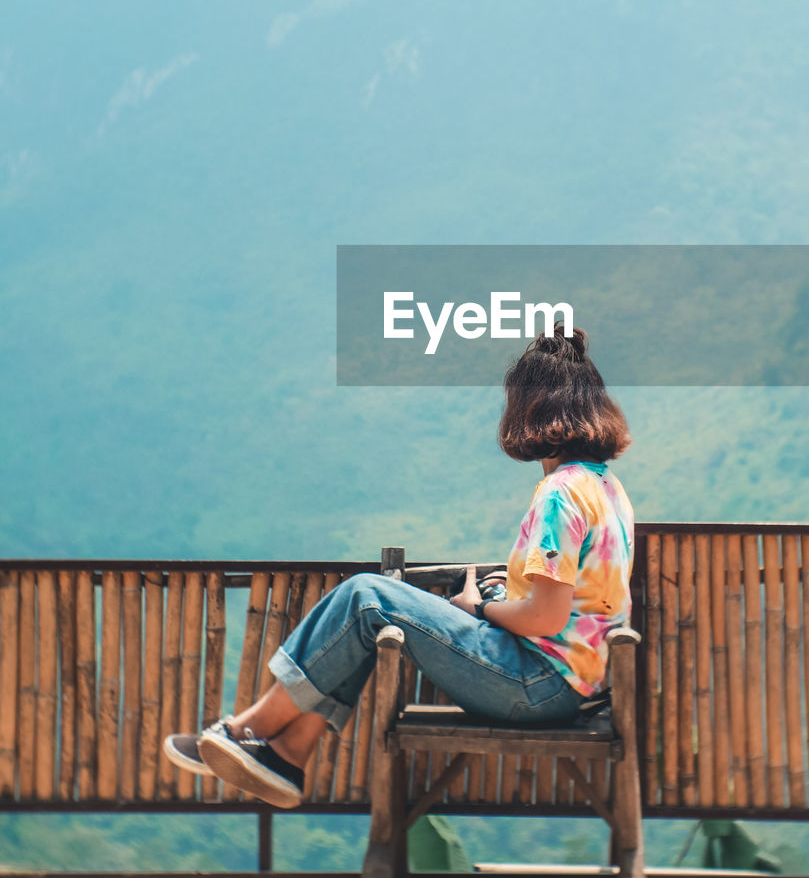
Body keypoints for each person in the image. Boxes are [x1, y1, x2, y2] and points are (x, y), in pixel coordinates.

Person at [164, 324, 635, 808]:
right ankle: (288, 753)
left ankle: (245, 730)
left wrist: (479, 608)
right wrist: (503, 594)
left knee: (366, 597)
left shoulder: (560, 495)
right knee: (368, 623)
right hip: (573, 683)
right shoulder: (606, 489)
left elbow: (546, 619)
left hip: (538, 684)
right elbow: (571, 605)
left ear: (530, 410)